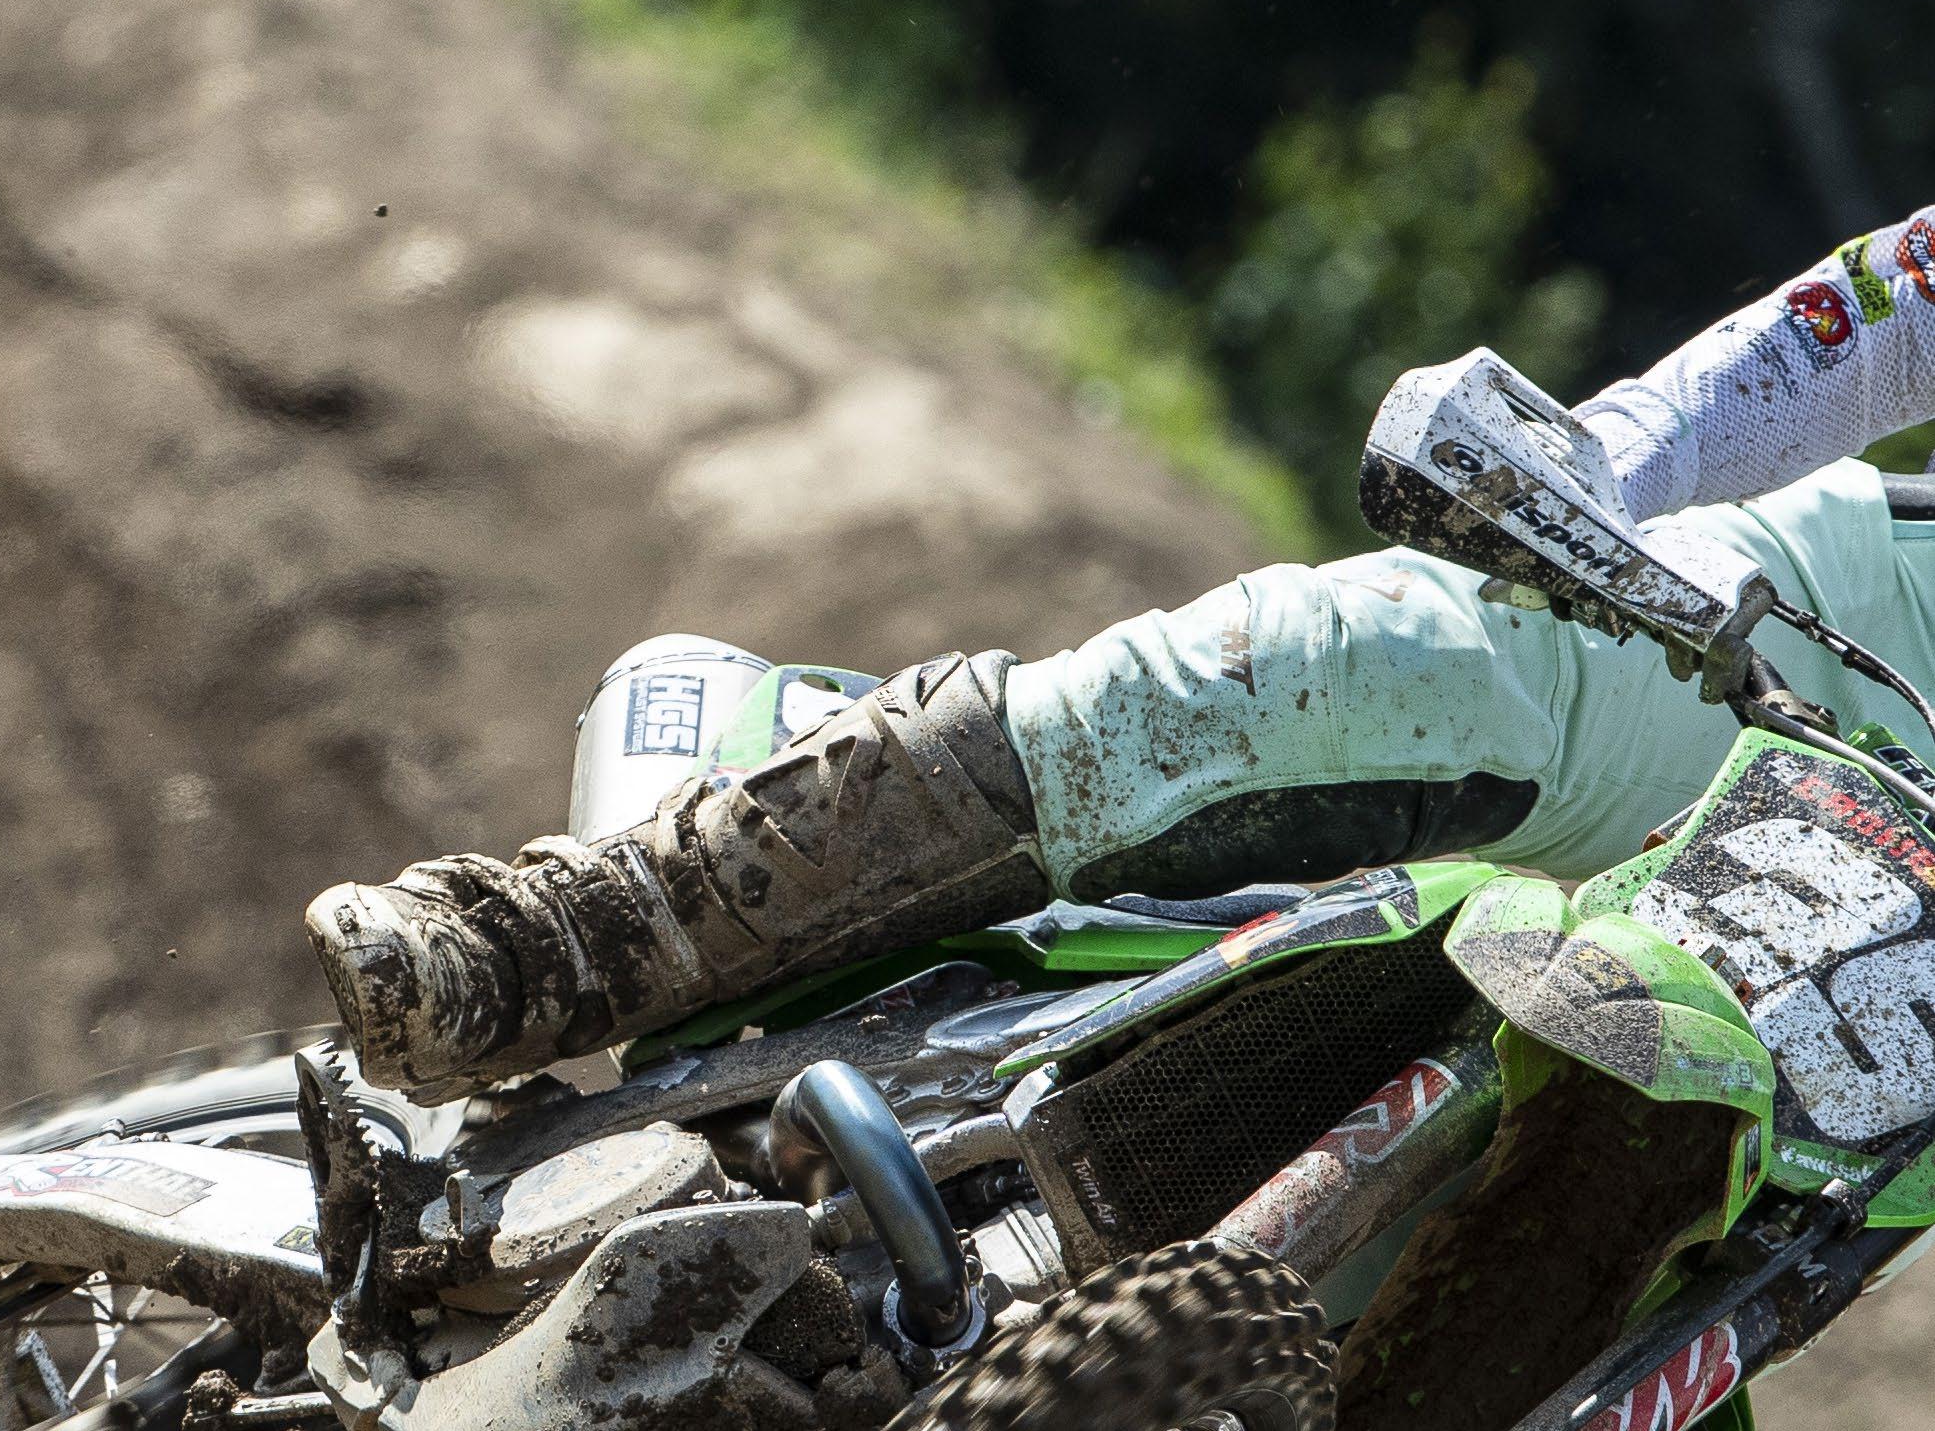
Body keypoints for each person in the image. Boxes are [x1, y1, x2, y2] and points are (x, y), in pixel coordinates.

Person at [308, 212, 1935, 1096]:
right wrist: (1591, 489)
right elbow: (1887, 317)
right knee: (1379, 657)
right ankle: (572, 933)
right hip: (1846, 634)